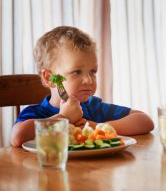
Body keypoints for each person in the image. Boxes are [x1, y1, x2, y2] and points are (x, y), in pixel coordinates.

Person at [11, 26, 154, 147]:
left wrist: (97, 127)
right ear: (50, 78)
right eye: (76, 72)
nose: (88, 80)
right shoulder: (38, 113)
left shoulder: (94, 107)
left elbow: (145, 121)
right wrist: (63, 118)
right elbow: (18, 137)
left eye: (93, 71)